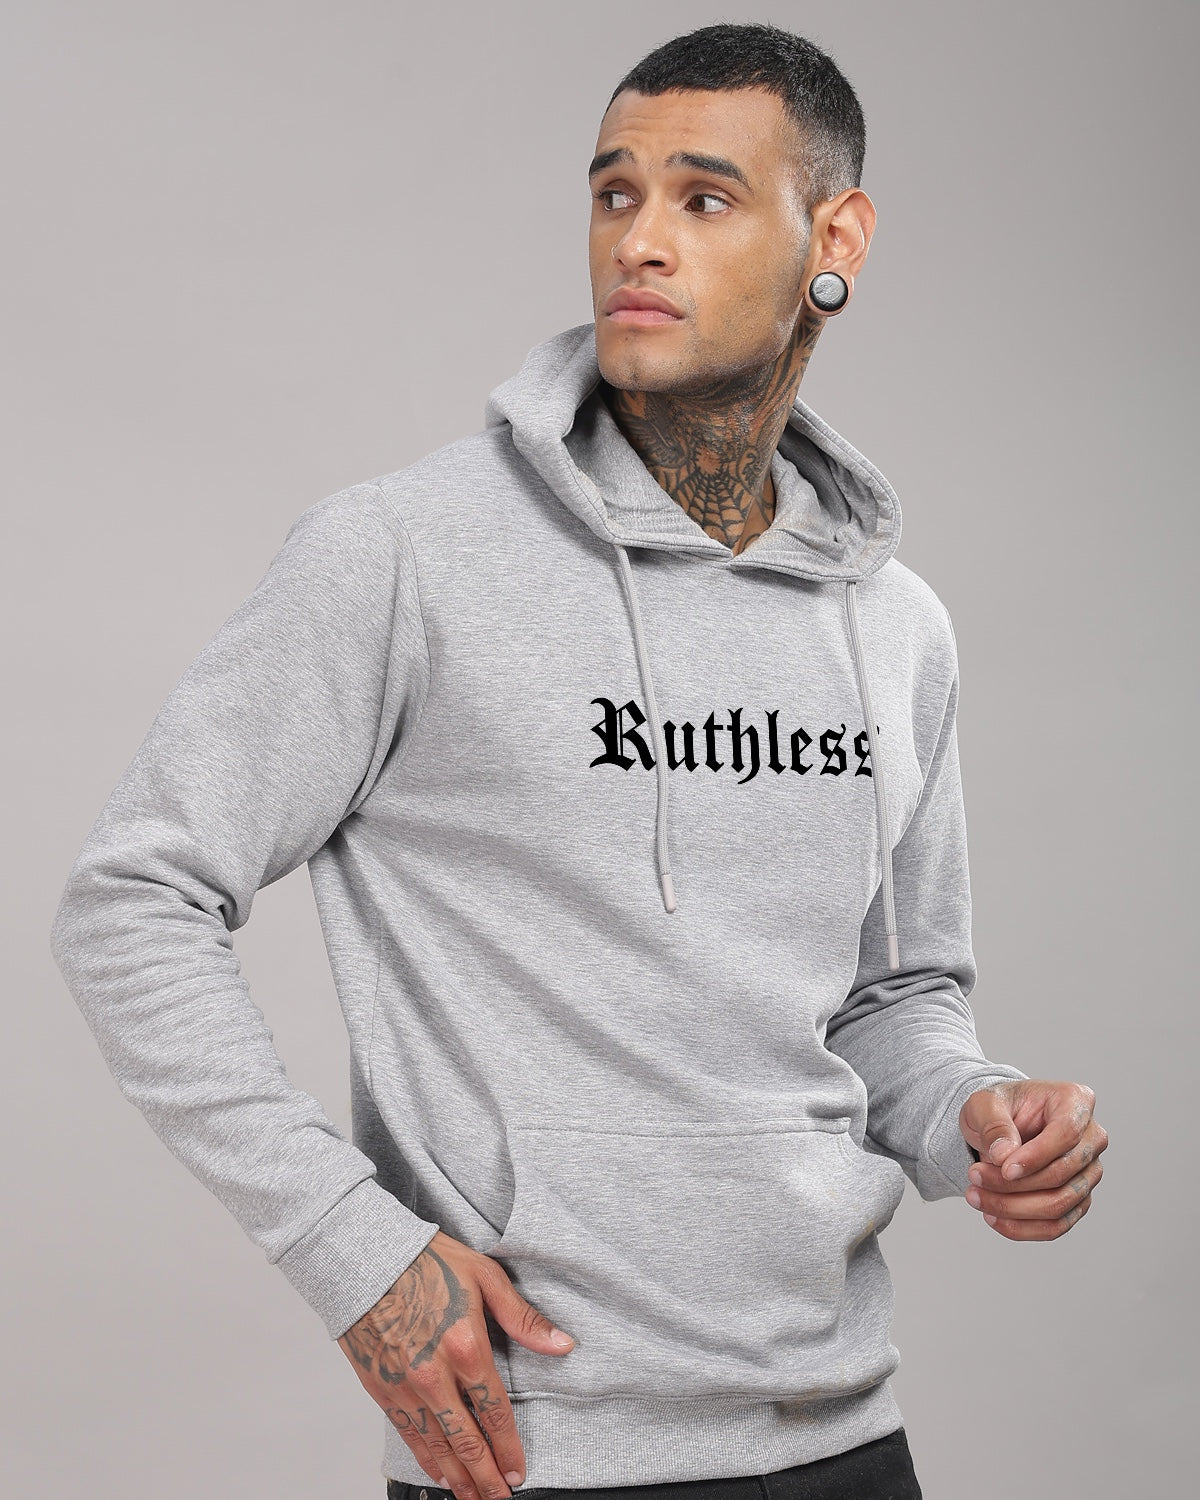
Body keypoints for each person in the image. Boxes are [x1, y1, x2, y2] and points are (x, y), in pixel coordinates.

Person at [49, 21, 1109, 1500]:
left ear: (836, 238)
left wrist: (974, 1115)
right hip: (534, 1450)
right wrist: (349, 1248)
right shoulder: (405, 555)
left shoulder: (894, 625)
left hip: (846, 1436)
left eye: (704, 197)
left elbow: (893, 998)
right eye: (616, 194)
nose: (639, 241)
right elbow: (132, 899)